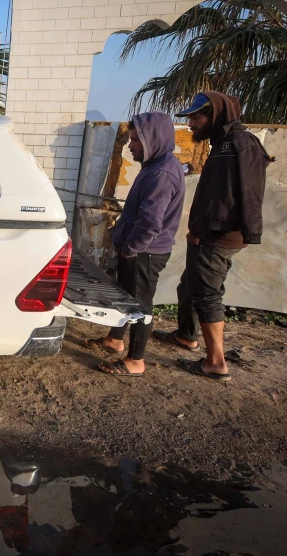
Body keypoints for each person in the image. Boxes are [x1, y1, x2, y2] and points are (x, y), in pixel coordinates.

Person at [153, 92, 270, 381]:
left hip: (217, 237)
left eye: (196, 117)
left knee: (206, 294)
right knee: (189, 286)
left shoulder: (240, 144)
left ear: (215, 115)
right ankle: (186, 335)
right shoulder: (223, 144)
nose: (191, 123)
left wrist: (205, 233)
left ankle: (216, 362)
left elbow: (247, 193)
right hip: (208, 233)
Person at [84, 112, 185, 376]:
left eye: (136, 140)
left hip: (145, 252)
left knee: (140, 305)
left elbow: (151, 223)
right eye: (131, 139)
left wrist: (131, 248)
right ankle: (115, 340)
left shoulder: (161, 173)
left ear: (153, 139)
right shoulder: (155, 166)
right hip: (139, 249)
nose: (131, 145)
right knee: (127, 297)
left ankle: (136, 361)